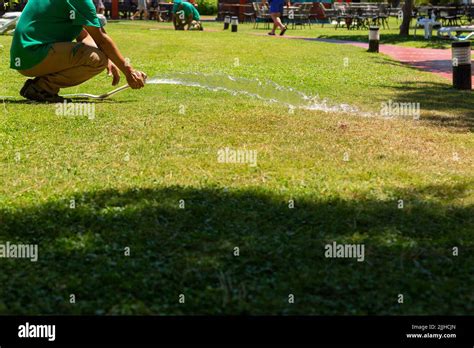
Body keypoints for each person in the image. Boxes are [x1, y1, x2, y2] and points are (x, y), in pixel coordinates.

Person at [10, 0, 146, 102]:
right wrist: (129, 72)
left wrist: (109, 58)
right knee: (97, 61)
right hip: (34, 54)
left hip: (26, 54)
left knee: (100, 59)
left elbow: (84, 35)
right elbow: (102, 40)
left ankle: (40, 87)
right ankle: (42, 88)